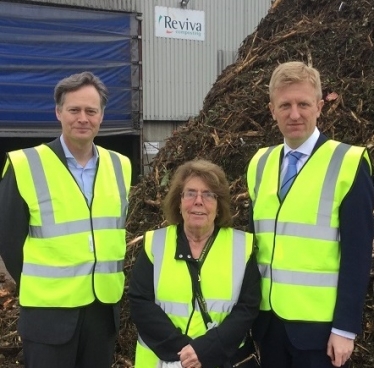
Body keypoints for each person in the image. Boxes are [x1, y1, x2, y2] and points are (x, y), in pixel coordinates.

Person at [246, 61, 374, 368]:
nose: (294, 114)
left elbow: (358, 254)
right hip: (268, 323)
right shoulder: (259, 163)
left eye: (303, 104)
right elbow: (254, 247)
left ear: (319, 107)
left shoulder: (348, 162)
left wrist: (345, 328)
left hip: (321, 329)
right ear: (272, 109)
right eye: (285, 105)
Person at [0, 71, 132, 368]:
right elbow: (9, 243)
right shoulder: (24, 164)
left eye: (90, 110)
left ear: (101, 115)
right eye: (74, 110)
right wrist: (44, 284)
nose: (82, 118)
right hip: (49, 314)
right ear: (59, 112)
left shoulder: (120, 165)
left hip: (102, 310)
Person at [128, 159, 261, 368]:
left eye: (208, 194)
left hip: (220, 360)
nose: (198, 201)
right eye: (190, 193)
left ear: (219, 206)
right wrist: (187, 352)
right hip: (163, 360)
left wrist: (205, 351)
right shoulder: (156, 244)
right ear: (179, 202)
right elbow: (140, 302)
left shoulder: (242, 246)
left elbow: (247, 308)